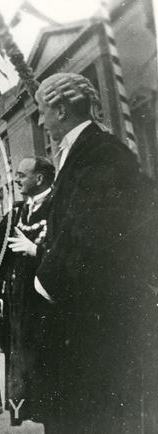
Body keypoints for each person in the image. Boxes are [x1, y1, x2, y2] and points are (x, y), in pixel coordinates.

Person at [33, 72, 158, 433]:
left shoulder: (100, 152)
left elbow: (91, 228)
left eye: (42, 112)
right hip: (83, 311)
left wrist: (44, 280)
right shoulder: (86, 151)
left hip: (90, 315)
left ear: (59, 110)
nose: (40, 122)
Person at [0, 157, 55, 425]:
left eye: (21, 175)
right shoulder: (18, 211)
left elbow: (69, 251)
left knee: (47, 369)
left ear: (39, 178)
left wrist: (36, 250)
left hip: (44, 301)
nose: (16, 180)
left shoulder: (56, 206)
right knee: (26, 371)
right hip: (18, 303)